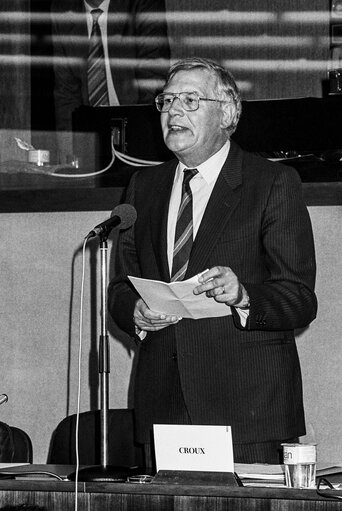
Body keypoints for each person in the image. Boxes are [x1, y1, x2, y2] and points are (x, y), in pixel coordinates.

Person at [108, 57, 317, 467]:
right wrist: (135, 311)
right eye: (167, 100)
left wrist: (244, 296)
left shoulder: (272, 183)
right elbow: (120, 286)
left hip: (248, 411)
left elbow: (300, 299)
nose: (173, 111)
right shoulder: (143, 186)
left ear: (227, 113)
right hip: (163, 408)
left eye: (189, 99)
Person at [51, 0, 170, 162]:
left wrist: (140, 149)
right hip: (91, 137)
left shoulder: (142, 4)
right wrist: (67, 157)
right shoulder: (63, 9)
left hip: (137, 130)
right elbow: (65, 92)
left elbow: (152, 81)